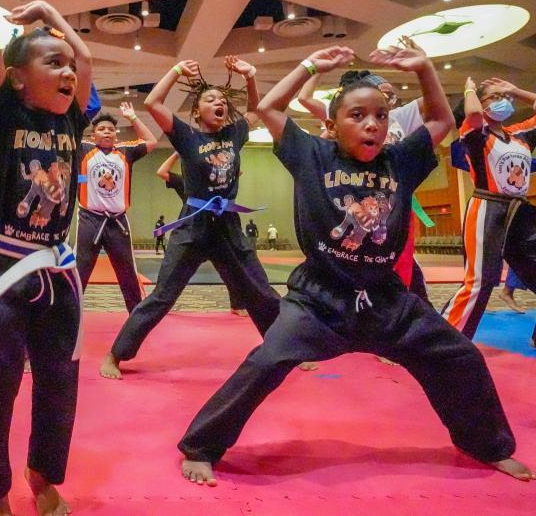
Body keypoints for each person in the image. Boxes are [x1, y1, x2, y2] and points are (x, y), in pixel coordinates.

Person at [177, 44, 532, 485]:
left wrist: (424, 68)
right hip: (319, 302)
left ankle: (487, 445)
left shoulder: (400, 160)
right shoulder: (311, 155)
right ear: (331, 123)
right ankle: (200, 446)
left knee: (460, 356)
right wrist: (309, 66)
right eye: (358, 115)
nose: (372, 124)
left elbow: (441, 120)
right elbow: (268, 106)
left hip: (387, 302)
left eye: (381, 116)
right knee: (266, 361)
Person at [0, 0, 93, 516]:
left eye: (69, 66)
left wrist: (51, 15)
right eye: (52, 63)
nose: (69, 71)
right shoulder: (2, 114)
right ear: (19, 77)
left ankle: (43, 473)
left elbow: (87, 55)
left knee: (59, 379)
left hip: (58, 267)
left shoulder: (72, 123)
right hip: (1, 266)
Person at [100, 55, 281, 380]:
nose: (219, 103)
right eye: (211, 99)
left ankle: (285, 347)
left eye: (223, 100)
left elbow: (257, 111)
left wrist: (250, 77)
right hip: (192, 228)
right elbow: (154, 102)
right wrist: (176, 71)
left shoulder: (234, 134)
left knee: (261, 289)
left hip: (228, 227)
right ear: (197, 111)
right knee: (162, 297)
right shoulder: (188, 137)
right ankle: (116, 354)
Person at [298, 54, 432, 301]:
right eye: (383, 92)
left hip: (390, 197)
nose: (389, 100)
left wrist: (425, 66)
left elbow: (435, 106)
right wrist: (316, 68)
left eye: (390, 96)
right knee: (355, 251)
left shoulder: (398, 115)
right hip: (352, 190)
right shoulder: (348, 112)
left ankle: (404, 305)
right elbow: (305, 99)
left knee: (397, 258)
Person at [440, 76, 536, 347]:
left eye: (505, 97)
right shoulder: (475, 133)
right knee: (480, 282)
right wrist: (469, 87)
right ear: (480, 104)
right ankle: (444, 343)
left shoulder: (520, 135)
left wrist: (515, 89)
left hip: (520, 211)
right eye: (494, 97)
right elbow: (471, 113)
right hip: (487, 207)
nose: (503, 101)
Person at [74, 101, 157, 313]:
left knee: (127, 273)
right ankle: (68, 317)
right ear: (94, 135)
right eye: (101, 129)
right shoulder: (83, 149)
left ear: (116, 135)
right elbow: (65, 136)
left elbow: (151, 141)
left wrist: (133, 117)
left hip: (117, 222)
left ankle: (136, 319)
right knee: (79, 272)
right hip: (89, 220)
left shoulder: (125, 152)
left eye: (111, 129)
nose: (107, 132)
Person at [156, 150, 249, 318]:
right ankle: (161, 303)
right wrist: (178, 153)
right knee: (173, 270)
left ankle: (238, 303)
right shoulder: (185, 182)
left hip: (221, 227)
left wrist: (222, 159)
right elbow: (161, 172)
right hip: (193, 228)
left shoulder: (221, 181)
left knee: (231, 268)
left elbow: (238, 171)